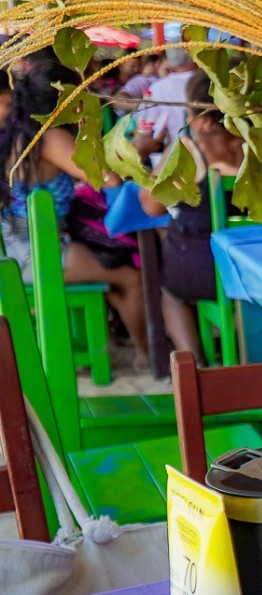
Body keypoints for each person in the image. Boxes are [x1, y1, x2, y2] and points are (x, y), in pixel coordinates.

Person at [0, 57, 149, 367]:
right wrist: (142, 150)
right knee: (131, 277)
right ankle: (148, 356)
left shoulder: (18, 133)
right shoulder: (51, 138)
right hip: (36, 254)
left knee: (109, 257)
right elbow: (108, 179)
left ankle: (107, 343)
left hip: (15, 247)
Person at [138, 71, 244, 363]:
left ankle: (191, 362)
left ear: (204, 120)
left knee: (169, 292)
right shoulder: (259, 146)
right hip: (252, 265)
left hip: (202, 268)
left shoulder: (188, 149)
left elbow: (151, 207)